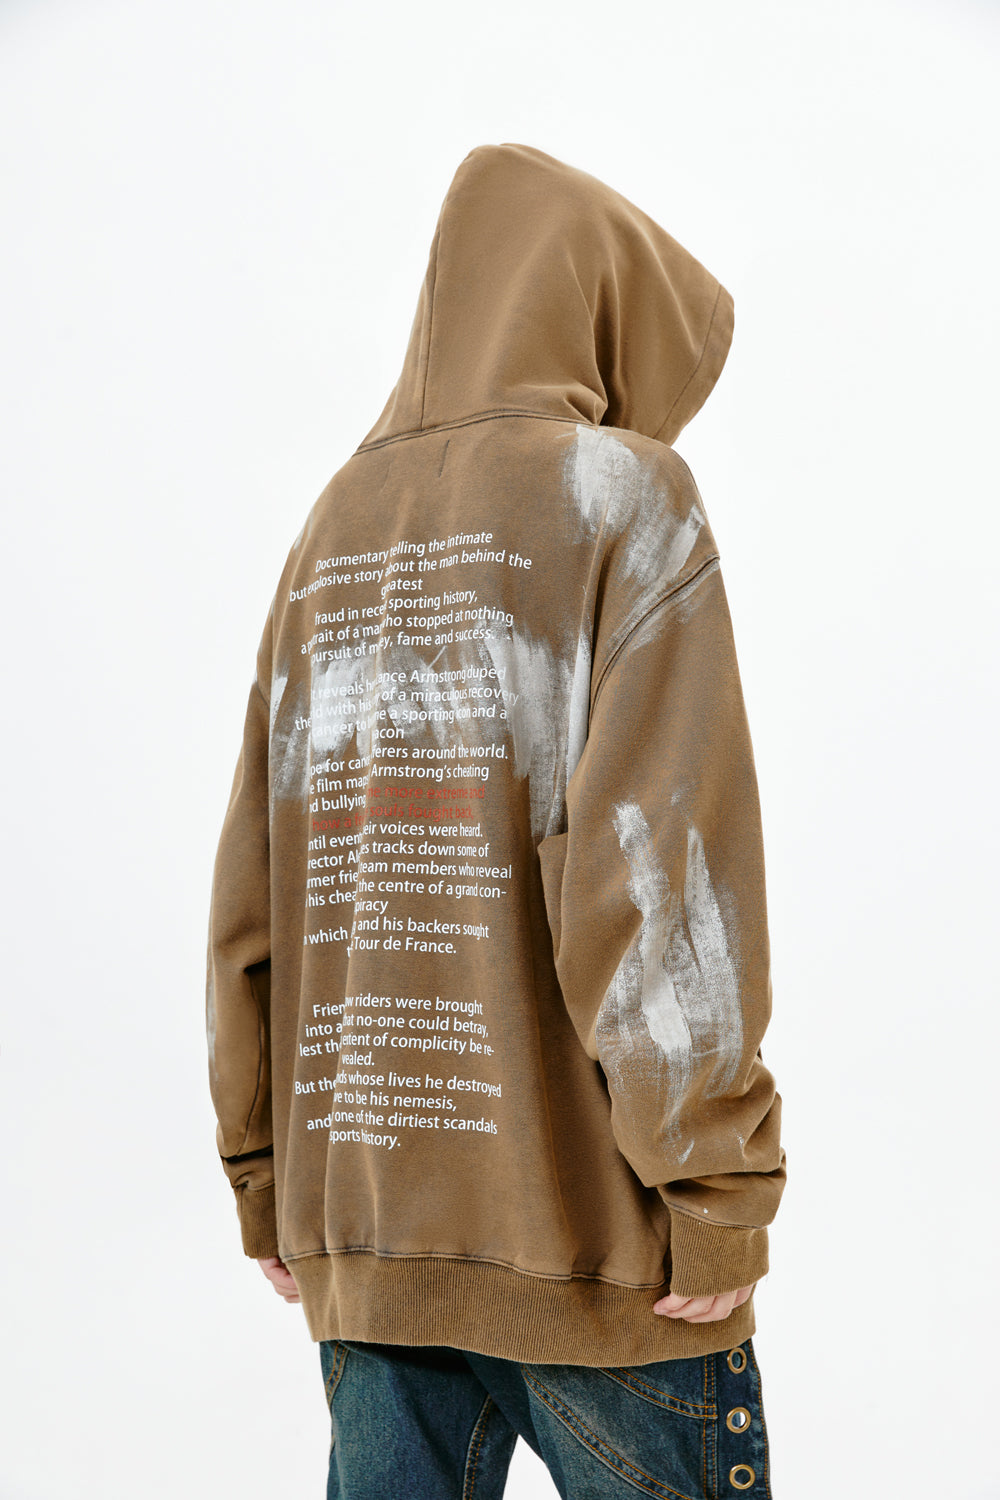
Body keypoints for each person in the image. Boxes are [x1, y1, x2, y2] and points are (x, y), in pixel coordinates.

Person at [206, 142, 786, 1499]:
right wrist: (716, 1187)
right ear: (599, 313)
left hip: (366, 1241)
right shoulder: (626, 498)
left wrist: (263, 1169)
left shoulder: (330, 530)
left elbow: (255, 895)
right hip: (599, 1253)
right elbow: (661, 878)